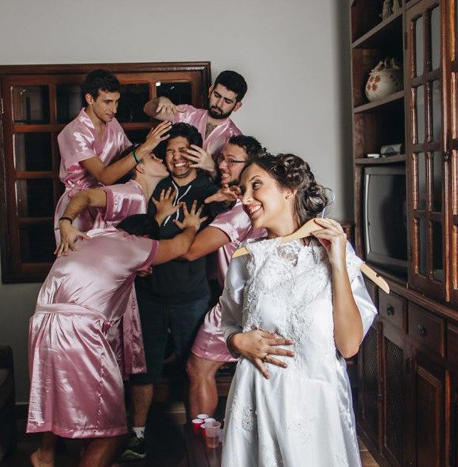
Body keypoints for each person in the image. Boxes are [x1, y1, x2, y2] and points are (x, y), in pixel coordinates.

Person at [220, 154, 377, 466]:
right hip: (259, 398)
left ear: (289, 189)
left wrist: (336, 263)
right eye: (242, 191)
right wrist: (237, 341)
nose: (246, 199)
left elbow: (348, 346)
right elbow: (228, 324)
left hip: (317, 406)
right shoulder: (246, 258)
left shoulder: (338, 254)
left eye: (255, 185)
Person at [26, 206, 207, 467]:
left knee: (60, 398)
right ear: (145, 238)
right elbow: (180, 246)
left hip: (43, 324)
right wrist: (191, 226)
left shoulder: (89, 237)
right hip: (78, 329)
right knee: (113, 427)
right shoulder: (131, 245)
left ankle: (44, 455)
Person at [123, 123, 227, 460]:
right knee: (142, 369)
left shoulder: (210, 190)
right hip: (148, 295)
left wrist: (214, 172)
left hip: (191, 296)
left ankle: (197, 438)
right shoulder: (155, 185)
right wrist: (148, 241)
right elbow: (135, 235)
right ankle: (137, 437)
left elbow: (223, 226)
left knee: (192, 369)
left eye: (183, 150)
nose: (175, 157)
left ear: (196, 153)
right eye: (169, 151)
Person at [182, 135, 267, 418]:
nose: (221, 165)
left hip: (237, 303)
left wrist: (189, 227)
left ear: (250, 167)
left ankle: (203, 438)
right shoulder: (252, 201)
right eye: (221, 159)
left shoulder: (240, 212)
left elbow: (192, 251)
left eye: (232, 161)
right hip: (254, 299)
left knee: (198, 368)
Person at [54, 68, 171, 240]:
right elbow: (104, 176)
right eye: (108, 102)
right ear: (90, 99)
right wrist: (144, 148)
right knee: (81, 254)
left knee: (115, 252)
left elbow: (130, 157)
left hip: (110, 202)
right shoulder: (75, 132)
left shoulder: (112, 123)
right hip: (79, 209)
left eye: (117, 102)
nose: (114, 109)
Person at [54, 141, 177, 257]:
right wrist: (65, 222)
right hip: (95, 263)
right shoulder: (130, 193)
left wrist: (160, 216)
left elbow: (131, 238)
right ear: (140, 167)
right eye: (153, 157)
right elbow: (84, 195)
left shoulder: (137, 196)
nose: (161, 160)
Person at [143, 70, 247, 179]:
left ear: (237, 106)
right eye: (217, 95)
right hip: (173, 182)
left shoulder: (235, 137)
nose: (219, 104)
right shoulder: (187, 113)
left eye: (227, 101)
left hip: (208, 188)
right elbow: (148, 110)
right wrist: (161, 100)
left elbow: (233, 179)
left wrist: (212, 168)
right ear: (210, 91)